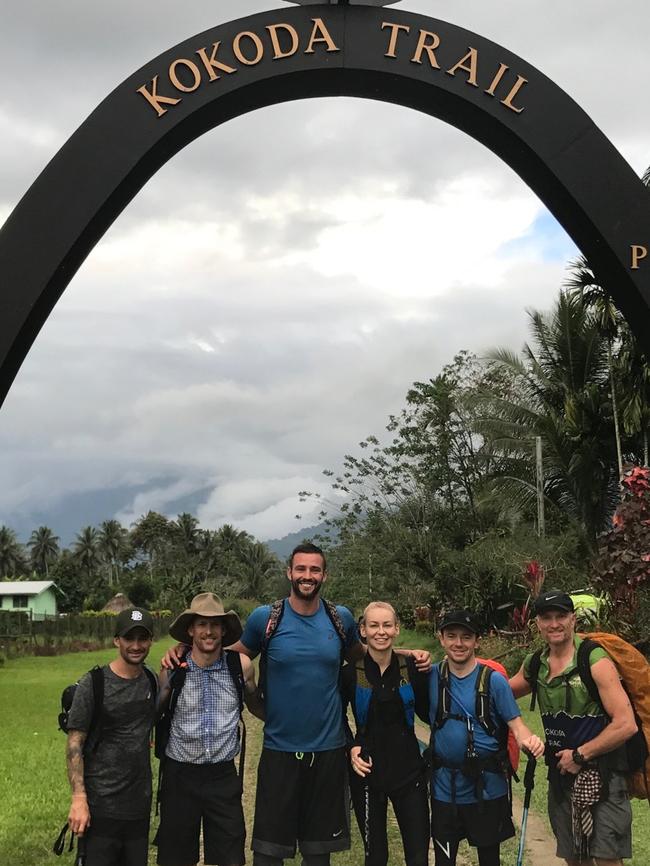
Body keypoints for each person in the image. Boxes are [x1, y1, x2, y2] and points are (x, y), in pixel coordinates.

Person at [509, 590, 638, 866]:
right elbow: (502, 693)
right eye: (547, 618)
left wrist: (580, 755)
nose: (554, 624)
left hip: (604, 776)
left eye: (561, 617)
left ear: (573, 619)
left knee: (606, 859)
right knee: (573, 858)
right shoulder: (535, 664)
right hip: (560, 777)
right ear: (538, 623)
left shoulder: (594, 660)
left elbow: (626, 724)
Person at [429, 609, 544, 866]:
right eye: (452, 636)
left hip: (487, 787)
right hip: (444, 788)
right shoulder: (431, 676)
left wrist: (530, 741)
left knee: (489, 860)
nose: (459, 643)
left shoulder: (494, 681)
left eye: (466, 637)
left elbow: (517, 724)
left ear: (477, 640)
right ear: (441, 639)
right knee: (443, 861)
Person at [155, 592, 263, 866]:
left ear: (224, 630)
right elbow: (154, 712)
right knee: (175, 857)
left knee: (230, 856)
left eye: (215, 625)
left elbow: (256, 705)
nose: (209, 631)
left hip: (222, 775)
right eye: (202, 624)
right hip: (180, 774)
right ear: (190, 629)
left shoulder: (241, 667)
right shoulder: (172, 670)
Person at [66, 606, 157, 866]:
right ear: (117, 639)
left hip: (139, 808)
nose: (136, 646)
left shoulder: (151, 680)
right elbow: (74, 744)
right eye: (129, 638)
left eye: (143, 638)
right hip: (100, 807)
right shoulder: (94, 684)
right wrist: (78, 799)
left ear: (151, 640)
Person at [343, 601, 430, 866]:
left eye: (387, 625)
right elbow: (336, 719)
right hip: (367, 773)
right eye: (374, 625)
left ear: (396, 630)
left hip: (409, 771)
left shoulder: (412, 669)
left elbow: (430, 713)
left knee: (417, 856)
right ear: (363, 631)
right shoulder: (351, 673)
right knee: (376, 856)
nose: (381, 631)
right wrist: (351, 747)